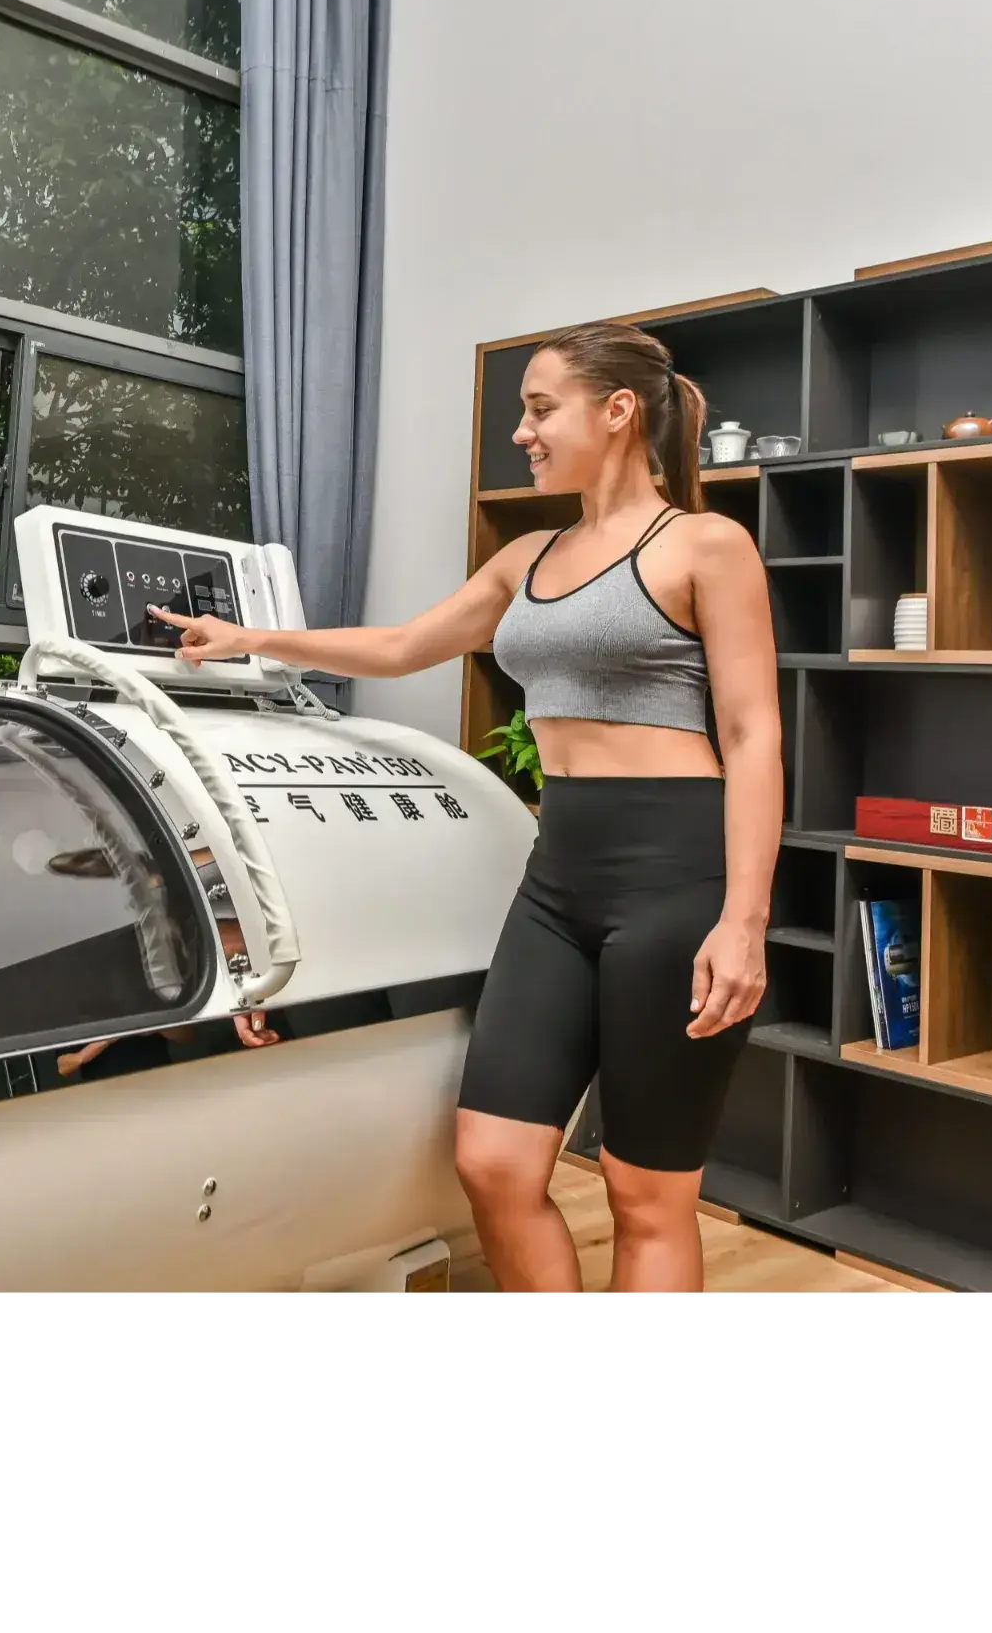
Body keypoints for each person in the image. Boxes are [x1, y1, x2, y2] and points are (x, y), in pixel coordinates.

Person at [148, 320, 780, 1294]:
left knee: (643, 1192)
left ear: (615, 411)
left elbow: (750, 733)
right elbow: (404, 644)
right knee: (492, 1160)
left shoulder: (702, 542)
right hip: (558, 870)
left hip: (675, 874)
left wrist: (742, 920)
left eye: (538, 409)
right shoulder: (525, 555)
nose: (521, 433)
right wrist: (252, 639)